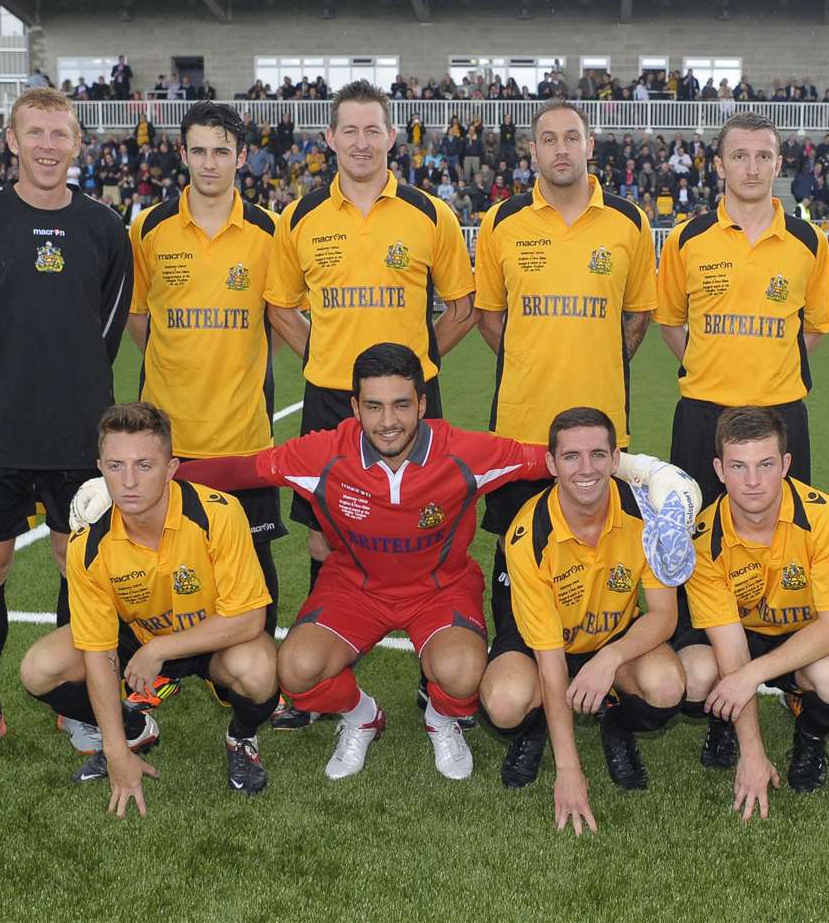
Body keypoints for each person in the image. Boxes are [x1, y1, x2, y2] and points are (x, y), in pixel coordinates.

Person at [76, 343, 555, 781]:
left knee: (463, 675)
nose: (387, 420)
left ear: (422, 405)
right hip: (355, 588)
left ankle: (441, 717)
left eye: (401, 404)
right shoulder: (325, 453)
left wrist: (627, 467)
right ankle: (362, 715)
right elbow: (241, 470)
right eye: (373, 406)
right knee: (296, 670)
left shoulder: (464, 451)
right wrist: (149, 477)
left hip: (439, 589)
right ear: (355, 408)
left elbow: (551, 460)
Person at [0, 87, 132, 771]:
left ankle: (75, 708)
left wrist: (70, 394)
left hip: (77, 433)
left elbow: (107, 328)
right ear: (12, 141)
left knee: (76, 569)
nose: (48, 145)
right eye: (35, 133)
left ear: (77, 144)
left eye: (60, 134)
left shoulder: (104, 227)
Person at [264, 80, 475, 713]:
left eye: (372, 130)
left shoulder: (428, 212)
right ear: (329, 139)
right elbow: (279, 307)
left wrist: (413, 373)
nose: (361, 142)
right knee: (324, 538)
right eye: (348, 130)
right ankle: (328, 658)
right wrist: (329, 363)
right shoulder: (300, 218)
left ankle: (434, 662)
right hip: (332, 400)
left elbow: (463, 308)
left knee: (428, 525)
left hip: (412, 405)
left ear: (392, 136)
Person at [473, 98, 657, 689]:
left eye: (571, 138)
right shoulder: (502, 222)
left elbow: (636, 319)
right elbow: (490, 318)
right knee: (515, 552)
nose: (560, 149)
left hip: (604, 432)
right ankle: (520, 666)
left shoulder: (629, 222)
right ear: (533, 150)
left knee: (608, 552)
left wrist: (594, 359)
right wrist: (534, 358)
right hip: (522, 427)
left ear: (589, 146)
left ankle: (607, 683)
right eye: (548, 139)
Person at [22, 403, 277, 812]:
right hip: (136, 633)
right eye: (116, 466)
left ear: (172, 468)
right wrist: (116, 748)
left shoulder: (219, 513)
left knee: (260, 669)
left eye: (144, 465)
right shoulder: (87, 545)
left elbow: (249, 617)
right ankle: (135, 728)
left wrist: (159, 650)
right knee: (40, 668)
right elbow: (99, 651)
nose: (129, 482)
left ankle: (242, 736)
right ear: (100, 468)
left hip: (212, 637)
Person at [125, 102, 285, 698]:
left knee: (255, 570)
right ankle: (155, 675)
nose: (210, 162)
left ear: (242, 157)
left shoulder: (271, 231)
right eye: (199, 150)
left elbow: (282, 316)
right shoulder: (149, 228)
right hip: (167, 440)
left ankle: (244, 685)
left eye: (223, 150)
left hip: (243, 437)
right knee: (156, 562)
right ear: (182, 154)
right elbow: (140, 320)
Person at [479, 408, 687, 831]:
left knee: (667, 687)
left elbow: (665, 616)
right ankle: (535, 731)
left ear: (615, 459)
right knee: (504, 702)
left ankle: (615, 719)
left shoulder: (646, 513)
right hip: (544, 643)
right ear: (552, 464)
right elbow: (551, 658)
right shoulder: (528, 534)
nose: (586, 469)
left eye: (598, 454)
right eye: (571, 457)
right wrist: (568, 769)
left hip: (612, 637)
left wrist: (609, 659)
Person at [676, 407, 829, 812]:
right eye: (738, 466)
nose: (753, 481)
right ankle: (724, 722)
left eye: (765, 464)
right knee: (693, 676)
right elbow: (729, 646)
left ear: (786, 464)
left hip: (803, 635)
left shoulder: (823, 516)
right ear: (719, 469)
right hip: (739, 636)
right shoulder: (704, 536)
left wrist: (752, 677)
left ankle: (810, 736)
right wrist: (753, 753)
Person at [656, 111, 829, 507]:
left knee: (783, 532)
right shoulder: (686, 239)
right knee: (697, 531)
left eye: (763, 157)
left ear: (778, 163)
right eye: (739, 157)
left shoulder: (809, 241)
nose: (752, 169)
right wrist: (707, 365)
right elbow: (669, 324)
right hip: (703, 414)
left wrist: (771, 368)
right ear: (719, 165)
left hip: (780, 413)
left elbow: (816, 327)